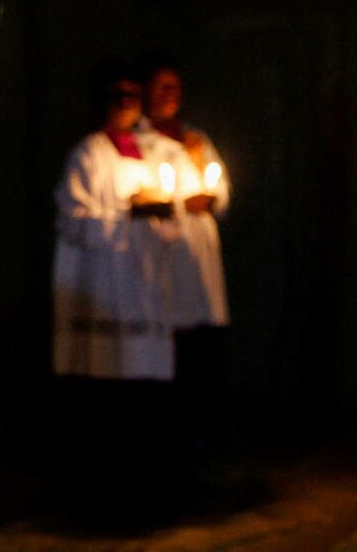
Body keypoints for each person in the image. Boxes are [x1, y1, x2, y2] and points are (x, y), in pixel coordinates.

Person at [52, 62, 198, 382]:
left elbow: (169, 220)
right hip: (105, 284)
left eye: (133, 95)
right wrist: (128, 216)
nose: (126, 103)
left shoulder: (149, 156)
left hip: (144, 286)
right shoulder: (88, 154)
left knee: (143, 377)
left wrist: (163, 215)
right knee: (107, 375)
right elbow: (72, 222)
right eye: (118, 95)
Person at [137, 57, 230, 449]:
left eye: (175, 87)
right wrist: (179, 204)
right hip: (168, 260)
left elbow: (222, 189)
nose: (170, 95)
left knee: (204, 348)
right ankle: (171, 438)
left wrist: (211, 198)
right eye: (162, 86)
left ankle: (204, 435)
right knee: (174, 348)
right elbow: (145, 197)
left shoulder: (196, 140)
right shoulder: (140, 143)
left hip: (202, 258)